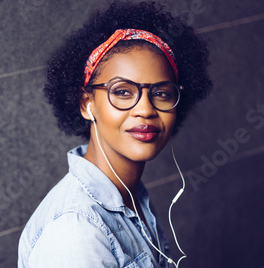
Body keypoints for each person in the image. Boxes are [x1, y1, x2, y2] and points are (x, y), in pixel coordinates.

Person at [18, 1, 212, 267]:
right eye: (122, 92)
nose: (145, 109)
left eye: (162, 93)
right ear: (87, 104)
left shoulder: (130, 198)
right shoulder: (75, 233)